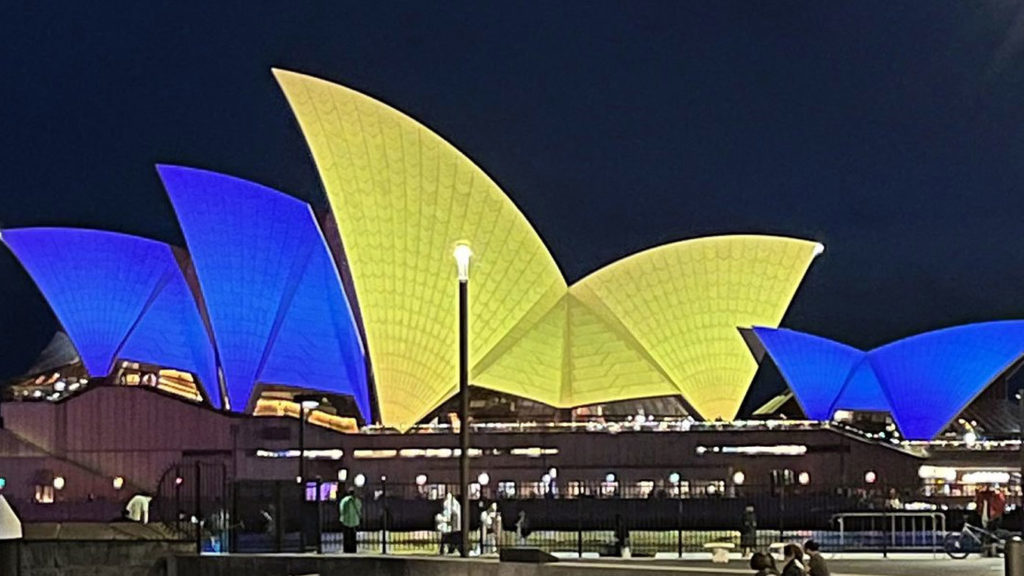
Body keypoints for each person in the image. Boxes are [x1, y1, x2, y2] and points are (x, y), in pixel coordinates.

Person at [339, 488, 362, 553]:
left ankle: (346, 549)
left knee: (346, 536)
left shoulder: (344, 500)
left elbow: (341, 509)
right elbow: (359, 509)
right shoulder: (357, 501)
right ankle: (353, 549)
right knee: (353, 536)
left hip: (346, 521)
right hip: (354, 521)